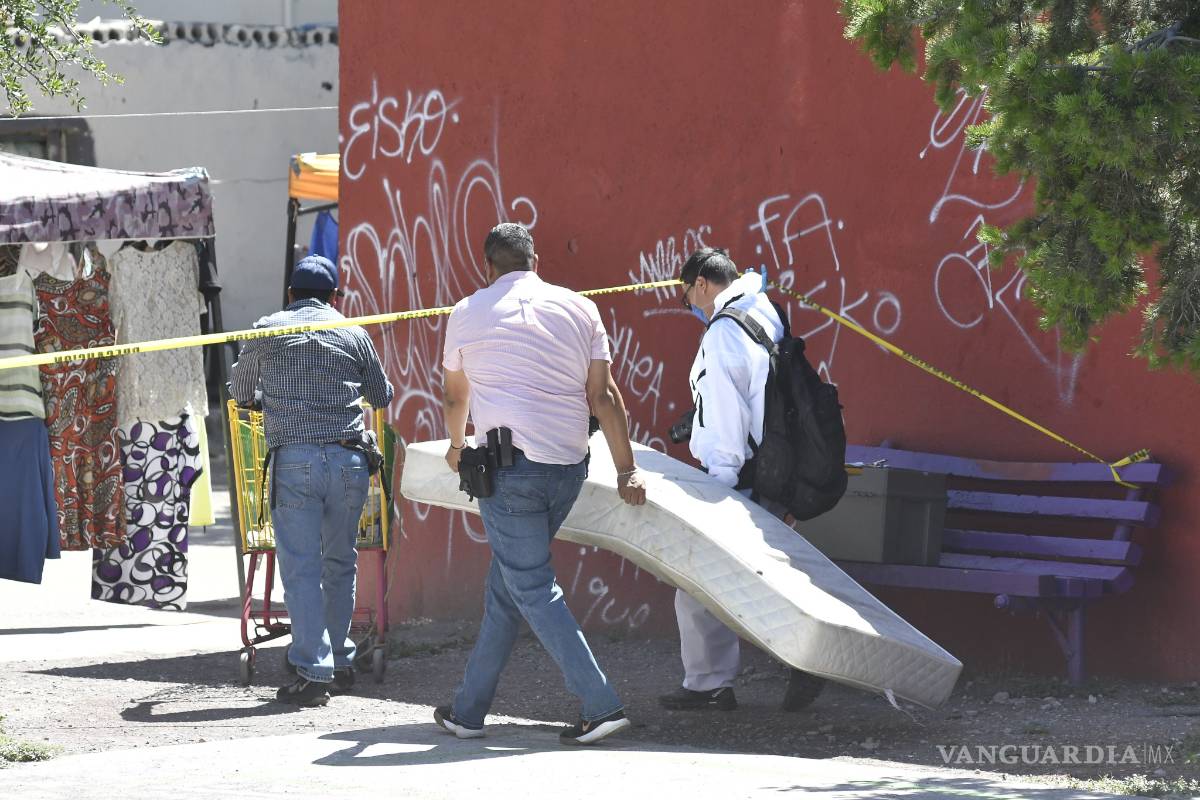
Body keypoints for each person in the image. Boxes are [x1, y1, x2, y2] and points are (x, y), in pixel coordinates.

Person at [435, 222, 647, 746]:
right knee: (508, 588)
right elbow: (605, 398)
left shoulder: (468, 311)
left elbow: (453, 399)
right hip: (569, 469)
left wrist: (457, 449)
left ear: (487, 267)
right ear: (537, 260)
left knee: (530, 585)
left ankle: (601, 705)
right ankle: (467, 712)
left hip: (510, 476)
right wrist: (626, 469)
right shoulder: (582, 308)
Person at [662, 246, 825, 712]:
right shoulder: (764, 310)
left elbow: (728, 415)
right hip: (779, 469)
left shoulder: (723, 332)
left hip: (742, 476)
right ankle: (711, 683)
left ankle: (719, 682)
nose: (690, 306)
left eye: (686, 297)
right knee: (756, 577)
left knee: (700, 578)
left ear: (700, 285)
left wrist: (721, 483)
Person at [229, 255, 394, 707]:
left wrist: (272, 399)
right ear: (335, 297)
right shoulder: (353, 332)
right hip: (349, 462)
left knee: (300, 567)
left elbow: (240, 392)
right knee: (340, 562)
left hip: (295, 462)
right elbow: (382, 395)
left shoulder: (269, 328)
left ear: (290, 295)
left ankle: (312, 667)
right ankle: (339, 660)